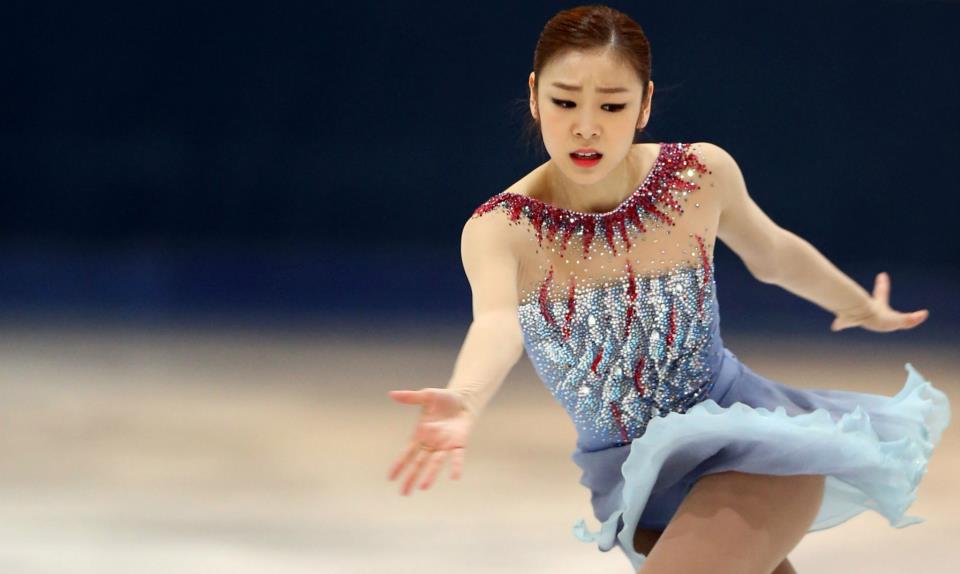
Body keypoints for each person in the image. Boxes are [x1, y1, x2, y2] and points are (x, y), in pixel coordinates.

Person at [386, 5, 951, 573]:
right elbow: (496, 323)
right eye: (565, 102)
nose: (587, 126)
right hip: (636, 483)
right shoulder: (501, 229)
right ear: (534, 96)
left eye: (612, 105)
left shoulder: (697, 175)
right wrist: (465, 397)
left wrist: (860, 306)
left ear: (645, 104)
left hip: (748, 449)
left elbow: (773, 253)